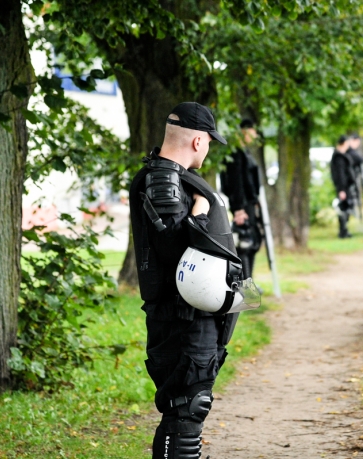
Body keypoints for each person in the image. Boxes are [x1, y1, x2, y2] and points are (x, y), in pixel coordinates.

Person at [129, 102, 235, 459]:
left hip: (189, 317)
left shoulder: (170, 176)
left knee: (186, 407)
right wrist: (202, 214)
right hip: (182, 319)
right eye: (209, 142)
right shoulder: (163, 178)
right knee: (188, 406)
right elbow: (173, 245)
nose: (208, 149)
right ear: (197, 141)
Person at [220, 118, 262, 279]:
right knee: (245, 245)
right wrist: (238, 209)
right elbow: (235, 183)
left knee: (252, 243)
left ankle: (248, 282)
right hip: (242, 206)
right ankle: (245, 286)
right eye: (253, 131)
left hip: (249, 204)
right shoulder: (235, 152)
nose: (255, 135)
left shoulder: (244, 151)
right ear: (244, 131)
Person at [330, 135, 355, 238]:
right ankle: (343, 231)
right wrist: (342, 189)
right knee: (343, 209)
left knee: (346, 208)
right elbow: (340, 175)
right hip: (343, 188)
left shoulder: (340, 156)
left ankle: (345, 230)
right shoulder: (338, 158)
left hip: (345, 187)